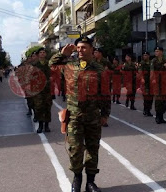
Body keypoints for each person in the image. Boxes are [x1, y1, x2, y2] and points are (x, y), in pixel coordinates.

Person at [49, 36, 108, 192]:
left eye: (84, 47)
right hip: (74, 116)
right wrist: (63, 54)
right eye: (79, 47)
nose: (80, 50)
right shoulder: (69, 66)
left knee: (92, 149)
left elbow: (105, 93)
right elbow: (52, 65)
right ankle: (77, 180)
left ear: (91, 49)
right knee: (75, 150)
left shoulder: (99, 69)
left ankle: (90, 182)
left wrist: (105, 114)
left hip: (93, 116)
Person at [33, 47, 52, 133]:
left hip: (48, 89)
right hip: (38, 90)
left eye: (44, 52)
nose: (42, 54)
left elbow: (54, 74)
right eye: (40, 52)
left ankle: (47, 125)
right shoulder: (35, 65)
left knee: (47, 107)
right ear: (38, 55)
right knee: (39, 107)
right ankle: (40, 125)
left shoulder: (50, 64)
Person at [150, 46, 166, 124]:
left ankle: (162, 116)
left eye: (158, 51)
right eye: (155, 51)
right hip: (157, 83)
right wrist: (153, 79)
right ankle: (158, 117)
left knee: (164, 100)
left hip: (164, 83)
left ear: (161, 52)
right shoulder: (153, 61)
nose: (156, 52)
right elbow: (152, 71)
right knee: (158, 100)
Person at [94, 48, 112, 127]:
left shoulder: (106, 62)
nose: (95, 53)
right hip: (95, 86)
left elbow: (112, 70)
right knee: (95, 103)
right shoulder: (92, 62)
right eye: (94, 52)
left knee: (106, 103)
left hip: (104, 85)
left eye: (96, 52)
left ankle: (104, 120)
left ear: (100, 53)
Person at [139, 51, 153, 116]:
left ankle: (148, 109)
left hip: (151, 82)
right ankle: (146, 110)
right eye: (144, 55)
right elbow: (140, 71)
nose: (145, 56)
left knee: (151, 97)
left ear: (148, 56)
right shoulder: (142, 63)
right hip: (145, 82)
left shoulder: (151, 63)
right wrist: (142, 78)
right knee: (146, 97)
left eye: (146, 55)